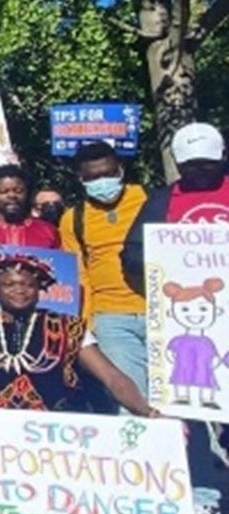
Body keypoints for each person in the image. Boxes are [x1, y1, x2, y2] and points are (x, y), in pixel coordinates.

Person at [120, 122, 229, 514]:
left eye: (207, 163)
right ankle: (203, 494)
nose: (199, 171)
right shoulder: (163, 201)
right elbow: (131, 253)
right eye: (190, 165)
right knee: (192, 410)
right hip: (185, 321)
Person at [0, 253, 155, 415]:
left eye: (28, 284)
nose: (19, 290)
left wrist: (145, 411)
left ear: (40, 289)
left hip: (57, 439)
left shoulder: (66, 326)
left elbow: (111, 377)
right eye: (9, 284)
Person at [59, 141, 148, 413]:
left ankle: (201, 456)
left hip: (163, 313)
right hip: (111, 319)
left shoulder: (150, 199)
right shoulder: (73, 219)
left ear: (120, 170)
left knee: (185, 399)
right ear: (81, 179)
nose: (102, 181)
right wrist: (85, 324)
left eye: (108, 173)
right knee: (133, 401)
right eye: (93, 177)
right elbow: (79, 276)